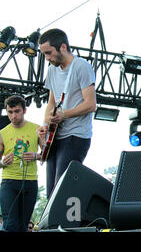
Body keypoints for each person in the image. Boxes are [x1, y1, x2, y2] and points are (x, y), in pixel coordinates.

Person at [36, 28, 96, 199]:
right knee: (51, 192)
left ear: (63, 47)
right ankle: (52, 225)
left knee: (62, 189)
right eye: (44, 54)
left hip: (75, 136)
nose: (47, 58)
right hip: (56, 136)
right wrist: (45, 126)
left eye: (49, 53)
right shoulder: (52, 70)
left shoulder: (82, 67)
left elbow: (91, 104)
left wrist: (65, 115)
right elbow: (51, 103)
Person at [0, 95, 43, 232]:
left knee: (24, 225)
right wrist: (2, 162)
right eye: (10, 112)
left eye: (17, 111)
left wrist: (36, 155)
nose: (13, 116)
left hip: (30, 181)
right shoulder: (2, 133)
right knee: (10, 224)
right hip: (9, 182)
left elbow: (46, 155)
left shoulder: (36, 129)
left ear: (24, 111)